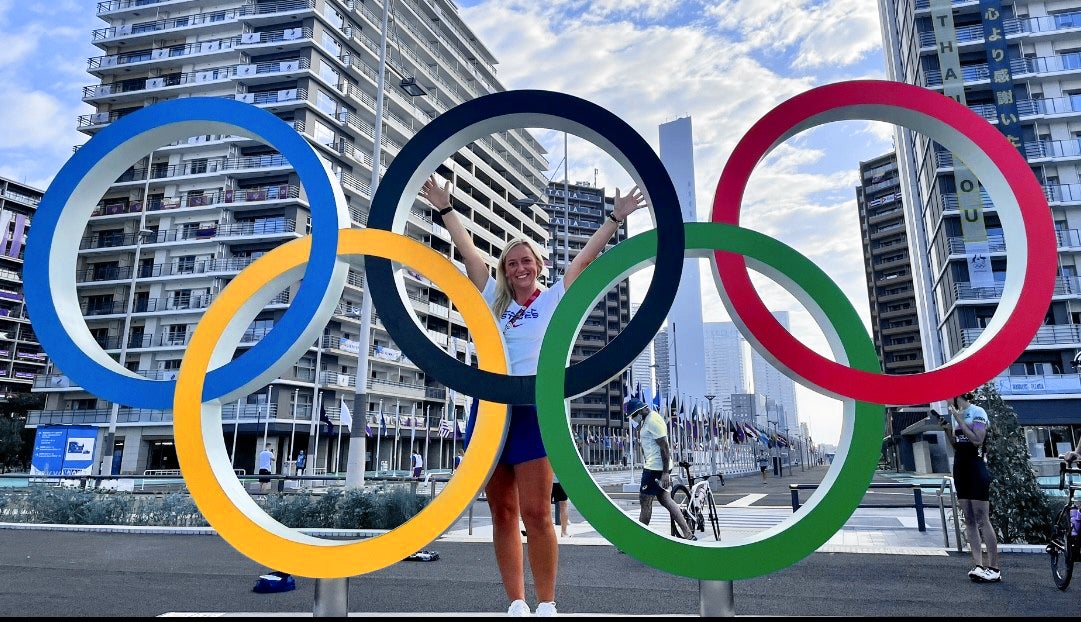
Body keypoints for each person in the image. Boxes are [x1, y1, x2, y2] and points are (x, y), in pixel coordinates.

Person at [421, 174, 645, 617]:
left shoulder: (556, 298)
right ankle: (517, 602)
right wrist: (446, 209)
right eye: (511, 264)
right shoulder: (493, 301)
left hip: (534, 413)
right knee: (502, 512)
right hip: (491, 412)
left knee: (537, 513)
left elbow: (583, 260)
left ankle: (546, 601)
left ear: (538, 265)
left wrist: (614, 219)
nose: (518, 268)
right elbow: (468, 252)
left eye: (526, 261)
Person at [940, 392, 1000, 583]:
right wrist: (948, 430)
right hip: (960, 468)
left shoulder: (977, 411)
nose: (945, 399)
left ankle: (994, 567)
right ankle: (978, 564)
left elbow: (977, 441)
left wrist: (958, 417)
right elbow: (958, 445)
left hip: (976, 467)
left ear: (957, 396)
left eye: (948, 397)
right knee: (969, 518)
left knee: (983, 517)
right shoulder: (957, 418)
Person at [625, 397, 694, 541]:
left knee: (645, 501)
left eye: (633, 415)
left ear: (642, 410)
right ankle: (687, 533)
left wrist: (664, 473)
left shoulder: (652, 421)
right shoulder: (647, 420)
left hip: (654, 469)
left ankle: (639, 539)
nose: (633, 418)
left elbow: (664, 448)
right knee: (665, 499)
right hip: (655, 467)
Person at [551, 472, 569, 538]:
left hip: (548, 480)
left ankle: (548, 531)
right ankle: (564, 532)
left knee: (546, 506)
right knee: (564, 506)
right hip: (561, 480)